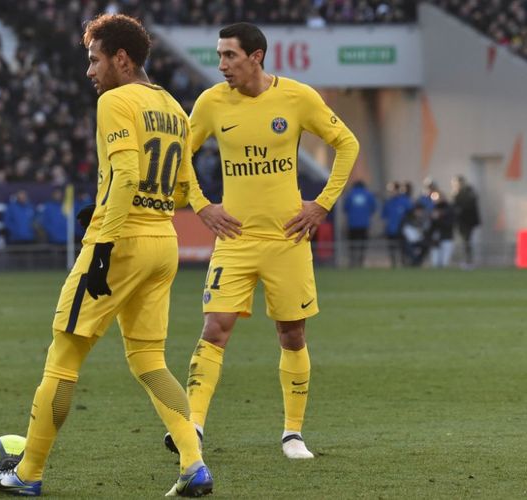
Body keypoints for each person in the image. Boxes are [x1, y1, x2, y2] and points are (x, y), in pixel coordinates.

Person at [0, 13, 239, 497]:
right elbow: (180, 190)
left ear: (121, 59)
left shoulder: (116, 102)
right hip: (163, 244)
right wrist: (106, 202)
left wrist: (102, 246)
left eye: (95, 60)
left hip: (121, 246)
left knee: (64, 353)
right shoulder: (175, 110)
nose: (90, 71)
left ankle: (27, 474)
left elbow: (129, 173)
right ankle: (194, 465)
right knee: (149, 361)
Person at [163, 23, 359, 461]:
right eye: (219, 56)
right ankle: (191, 426)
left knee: (291, 334)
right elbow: (181, 154)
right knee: (215, 327)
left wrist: (323, 205)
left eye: (230, 56)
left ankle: (293, 433)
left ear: (256, 56)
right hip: (235, 238)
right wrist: (201, 205)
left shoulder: (298, 98)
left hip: (288, 239)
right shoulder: (211, 102)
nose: (221, 65)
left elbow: (347, 144)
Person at [342, 180, 376, 267]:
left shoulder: (349, 194)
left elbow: (345, 208)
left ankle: (352, 261)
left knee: (352, 244)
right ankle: (361, 261)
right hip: (364, 224)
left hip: (352, 224)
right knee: (363, 244)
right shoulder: (368, 194)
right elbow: (373, 208)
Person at [451, 175, 480, 269]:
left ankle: (469, 261)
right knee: (465, 241)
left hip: (468, 222)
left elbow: (469, 205)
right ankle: (466, 260)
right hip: (461, 222)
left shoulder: (468, 192)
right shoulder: (457, 193)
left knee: (467, 241)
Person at [381, 181, 412, 268]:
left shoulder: (405, 201)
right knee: (392, 248)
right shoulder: (388, 203)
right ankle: (393, 264)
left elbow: (411, 215)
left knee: (403, 249)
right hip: (390, 230)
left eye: (392, 190)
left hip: (402, 231)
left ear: (397, 190)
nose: (391, 192)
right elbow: (384, 217)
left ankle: (404, 264)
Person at [428, 195, 455, 268]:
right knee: (435, 262)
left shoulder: (449, 209)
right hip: (436, 239)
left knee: (445, 262)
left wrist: (439, 217)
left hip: (447, 237)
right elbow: (431, 226)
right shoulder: (434, 208)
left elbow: (449, 224)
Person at [400, 202, 429, 267]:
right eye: (418, 211)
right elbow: (405, 231)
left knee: (426, 245)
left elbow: (425, 231)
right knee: (407, 247)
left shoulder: (422, 220)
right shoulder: (408, 218)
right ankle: (416, 262)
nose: (420, 213)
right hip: (409, 240)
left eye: (421, 211)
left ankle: (417, 261)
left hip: (419, 239)